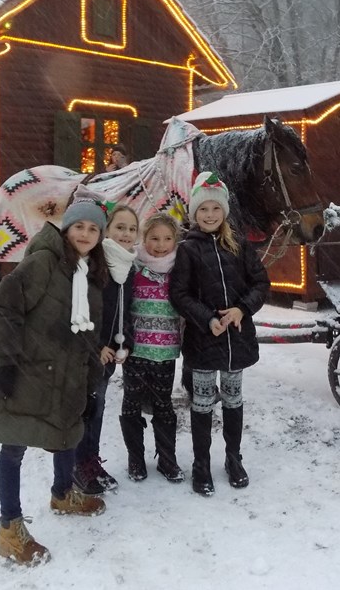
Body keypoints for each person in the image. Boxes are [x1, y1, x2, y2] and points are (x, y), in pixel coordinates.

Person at [0, 196, 110, 566]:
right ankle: (9, 529)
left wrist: (91, 371)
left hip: (67, 372)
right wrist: (7, 362)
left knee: (67, 430)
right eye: (79, 226)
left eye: (93, 228)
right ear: (67, 228)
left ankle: (62, 493)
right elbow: (2, 309)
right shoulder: (43, 263)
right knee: (14, 445)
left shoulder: (89, 272)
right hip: (27, 370)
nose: (85, 234)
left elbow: (88, 330)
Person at [169, 172, 269, 496]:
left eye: (215, 208)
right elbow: (179, 294)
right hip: (203, 340)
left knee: (233, 401)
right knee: (201, 404)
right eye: (203, 209)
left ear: (224, 211)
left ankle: (233, 457)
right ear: (194, 213)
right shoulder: (188, 249)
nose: (210, 215)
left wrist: (242, 309)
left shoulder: (239, 245)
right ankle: (201, 463)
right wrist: (207, 318)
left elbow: (260, 283)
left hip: (236, 340)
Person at [72, 204, 138, 495]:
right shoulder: (94, 265)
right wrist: (96, 346)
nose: (126, 234)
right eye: (120, 227)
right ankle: (78, 465)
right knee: (84, 410)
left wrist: (126, 343)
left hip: (110, 354)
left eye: (132, 229)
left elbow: (127, 311)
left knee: (97, 409)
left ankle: (91, 461)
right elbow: (81, 310)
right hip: (88, 352)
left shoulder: (129, 267)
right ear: (107, 230)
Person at [120, 212, 186, 483]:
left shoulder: (180, 269)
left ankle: (167, 459)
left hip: (165, 352)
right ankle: (135, 458)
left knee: (163, 405)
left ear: (175, 240)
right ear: (143, 238)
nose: (160, 245)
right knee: (131, 404)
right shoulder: (131, 266)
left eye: (167, 238)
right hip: (135, 351)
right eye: (154, 238)